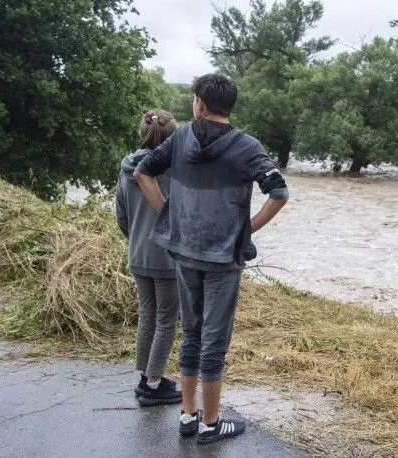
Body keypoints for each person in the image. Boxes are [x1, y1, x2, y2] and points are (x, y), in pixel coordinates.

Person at [133, 74, 289, 444]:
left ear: (200, 103)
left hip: (184, 253)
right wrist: (246, 230)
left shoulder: (182, 136)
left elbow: (142, 173)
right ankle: (210, 423)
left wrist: (168, 215)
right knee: (214, 340)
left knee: (191, 334)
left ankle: (188, 416)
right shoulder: (248, 146)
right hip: (223, 259)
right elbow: (279, 193)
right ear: (226, 105)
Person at [115, 109, 182, 407]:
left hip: (138, 251)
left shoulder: (126, 165)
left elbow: (121, 213)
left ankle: (145, 376)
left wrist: (135, 239)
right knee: (167, 318)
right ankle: (154, 383)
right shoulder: (173, 168)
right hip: (167, 255)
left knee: (148, 314)